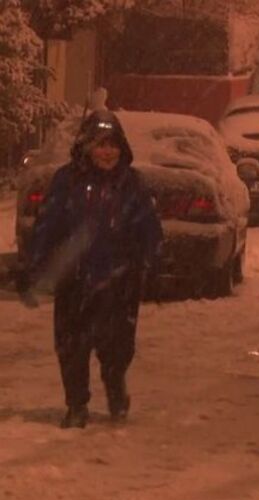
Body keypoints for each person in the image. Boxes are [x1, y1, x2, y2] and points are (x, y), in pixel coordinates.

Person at [18, 109, 163, 429]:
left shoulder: (131, 184)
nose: (106, 152)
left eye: (112, 145)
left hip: (119, 282)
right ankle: (76, 403)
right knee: (72, 347)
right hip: (75, 281)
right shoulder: (66, 181)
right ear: (86, 147)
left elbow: (148, 227)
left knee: (116, 347)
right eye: (100, 145)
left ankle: (115, 389)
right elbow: (48, 225)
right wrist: (38, 265)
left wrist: (148, 258)